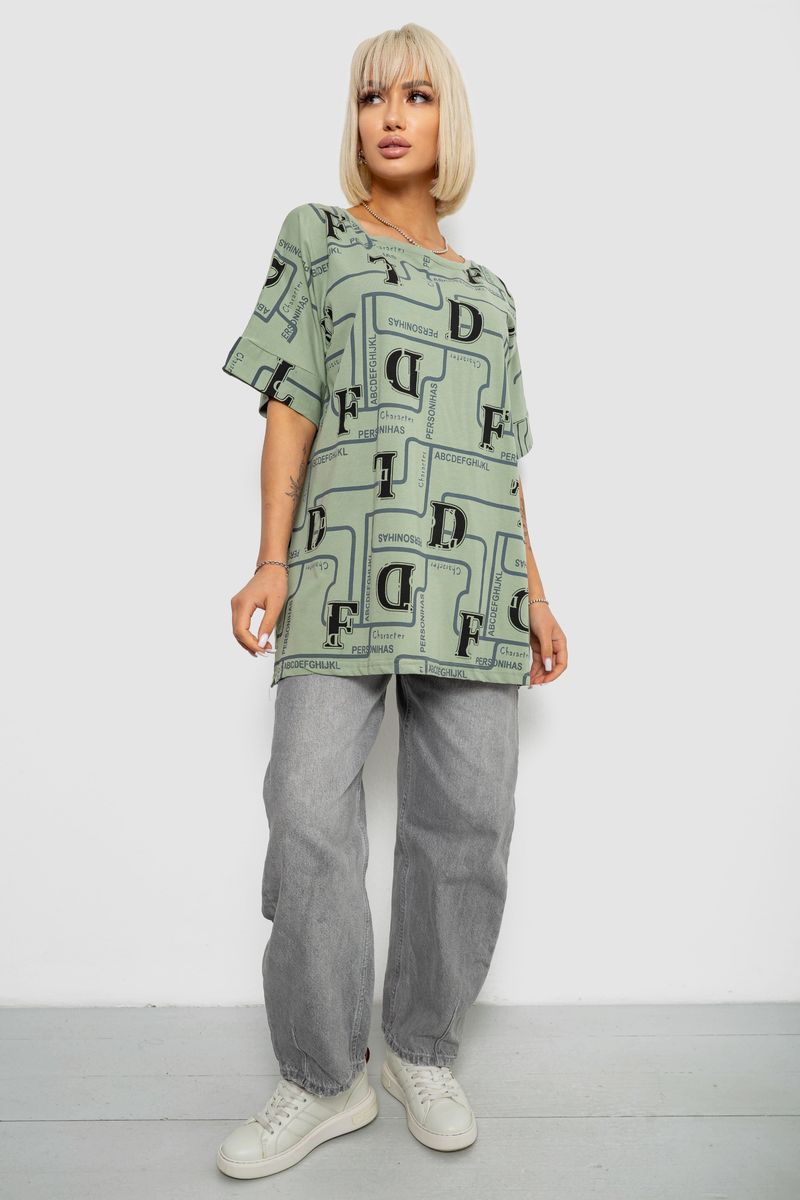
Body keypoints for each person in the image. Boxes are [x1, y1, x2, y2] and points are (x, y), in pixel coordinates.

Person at [215, 22, 568, 1181]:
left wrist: (535, 592)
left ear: (446, 118)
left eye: (416, 95)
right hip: (334, 569)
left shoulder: (490, 293)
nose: (391, 115)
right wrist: (270, 560)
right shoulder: (315, 239)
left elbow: (498, 459)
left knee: (466, 828)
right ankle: (326, 1077)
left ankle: (420, 1047)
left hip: (474, 585)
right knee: (306, 810)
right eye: (372, 96)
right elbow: (288, 406)